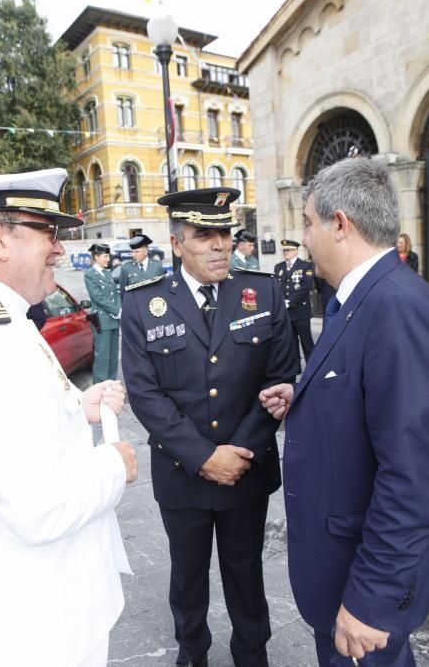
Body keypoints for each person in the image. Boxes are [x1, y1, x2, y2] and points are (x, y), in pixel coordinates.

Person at [0, 168, 138, 667]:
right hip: (32, 623)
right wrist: (114, 465)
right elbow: (37, 506)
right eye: (48, 232)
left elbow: (12, 424)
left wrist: (74, 408)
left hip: (30, 604)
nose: (60, 250)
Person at [259, 158, 429, 666]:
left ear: (340, 224)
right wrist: (305, 397)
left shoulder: (395, 306)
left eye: (308, 223)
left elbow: (413, 474)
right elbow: (367, 399)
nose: (304, 238)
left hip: (361, 588)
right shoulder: (358, 298)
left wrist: (372, 599)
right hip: (338, 573)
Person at [121, 186, 297, 667]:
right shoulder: (144, 303)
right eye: (205, 235)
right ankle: (192, 651)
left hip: (246, 467)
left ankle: (251, 653)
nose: (220, 244)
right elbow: (146, 394)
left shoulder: (261, 291)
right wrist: (203, 457)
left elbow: (280, 378)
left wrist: (239, 452)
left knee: (246, 572)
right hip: (183, 473)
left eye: (224, 233)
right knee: (188, 572)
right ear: (177, 243)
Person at [84, 243, 121, 383]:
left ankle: (111, 384)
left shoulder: (107, 272)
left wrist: (119, 310)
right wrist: (116, 310)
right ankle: (99, 387)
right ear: (96, 257)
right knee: (102, 356)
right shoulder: (90, 274)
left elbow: (115, 294)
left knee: (113, 355)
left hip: (113, 319)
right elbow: (97, 297)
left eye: (108, 256)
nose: (108, 259)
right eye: (106, 256)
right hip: (102, 320)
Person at [274, 239, 314, 367]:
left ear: (296, 251)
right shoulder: (279, 267)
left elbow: (306, 287)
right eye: (284, 250)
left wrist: (289, 302)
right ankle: (295, 368)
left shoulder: (305, 265)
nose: (285, 252)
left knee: (306, 342)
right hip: (287, 313)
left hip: (300, 311)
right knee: (291, 343)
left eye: (288, 250)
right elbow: (276, 287)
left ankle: (312, 367)